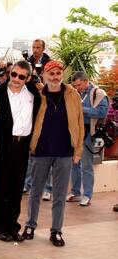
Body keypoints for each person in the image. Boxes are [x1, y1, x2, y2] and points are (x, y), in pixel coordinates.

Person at [22, 60, 84, 247]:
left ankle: (56, 230)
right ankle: (30, 225)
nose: (55, 76)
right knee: (35, 191)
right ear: (44, 76)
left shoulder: (72, 95)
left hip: (65, 152)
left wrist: (78, 150)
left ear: (62, 75)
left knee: (59, 194)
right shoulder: (38, 95)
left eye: (58, 73)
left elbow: (80, 124)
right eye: (51, 73)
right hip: (41, 151)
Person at [0, 60, 41, 242]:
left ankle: (13, 226)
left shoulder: (33, 94)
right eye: (14, 74)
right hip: (5, 144)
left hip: (23, 145)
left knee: (16, 187)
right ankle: (1, 227)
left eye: (21, 76)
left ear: (27, 78)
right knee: (1, 186)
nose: (16, 79)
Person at [66, 71, 108, 206]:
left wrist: (82, 109)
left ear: (86, 81)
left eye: (79, 85)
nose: (77, 88)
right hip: (76, 133)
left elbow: (102, 112)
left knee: (87, 165)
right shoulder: (76, 93)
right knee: (75, 163)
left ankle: (87, 195)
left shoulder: (98, 93)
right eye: (75, 86)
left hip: (89, 133)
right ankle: (75, 192)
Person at [23, 39, 52, 200]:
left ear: (43, 48)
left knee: (46, 151)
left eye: (38, 47)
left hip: (45, 108)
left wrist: (41, 83)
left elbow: (55, 87)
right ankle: (27, 184)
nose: (35, 50)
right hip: (31, 108)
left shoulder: (50, 64)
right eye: (33, 47)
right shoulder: (27, 63)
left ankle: (47, 188)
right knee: (29, 151)